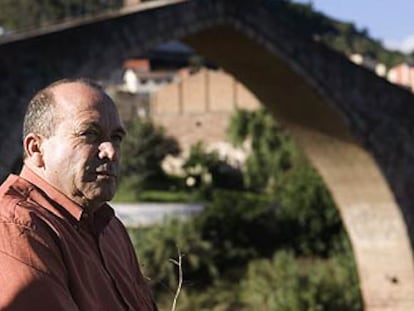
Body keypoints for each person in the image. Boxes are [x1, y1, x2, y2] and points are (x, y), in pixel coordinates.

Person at [0, 79, 157, 310]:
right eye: (90, 134)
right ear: (36, 149)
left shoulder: (109, 227)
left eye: (116, 138)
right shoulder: (17, 228)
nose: (111, 152)